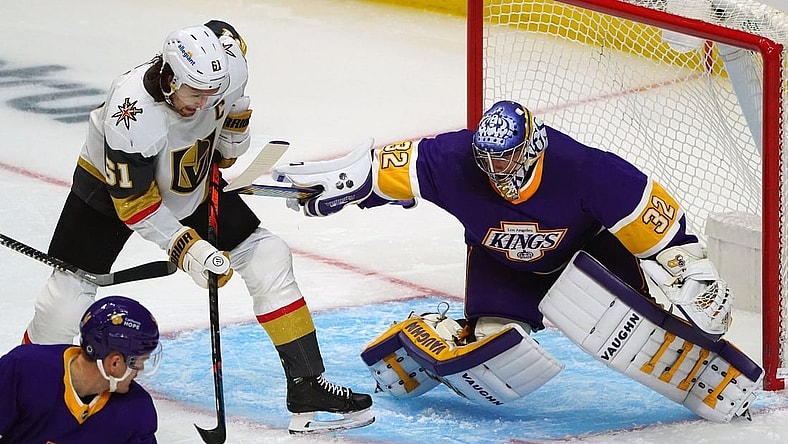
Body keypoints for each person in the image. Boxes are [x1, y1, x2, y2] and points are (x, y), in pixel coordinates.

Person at [272, 100, 764, 423]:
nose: (493, 171)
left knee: (637, 322)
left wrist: (694, 276)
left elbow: (662, 230)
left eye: (504, 159)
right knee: (494, 355)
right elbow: (376, 171)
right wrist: (338, 187)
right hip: (501, 263)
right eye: (486, 159)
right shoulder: (453, 158)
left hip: (586, 257)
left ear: (532, 148)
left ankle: (685, 345)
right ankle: (451, 332)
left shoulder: (586, 169)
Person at [22, 21, 372, 433]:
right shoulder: (131, 114)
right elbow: (134, 203)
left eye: (213, 93)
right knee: (65, 299)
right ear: (170, 78)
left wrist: (232, 133)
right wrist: (188, 250)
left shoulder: (228, 71)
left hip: (189, 182)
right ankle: (24, 390)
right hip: (109, 192)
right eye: (195, 94)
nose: (204, 103)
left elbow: (225, 125)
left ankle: (306, 386)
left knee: (267, 255)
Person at [0, 295, 162, 443]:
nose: (140, 369)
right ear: (115, 363)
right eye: (140, 361)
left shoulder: (136, 409)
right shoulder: (23, 370)